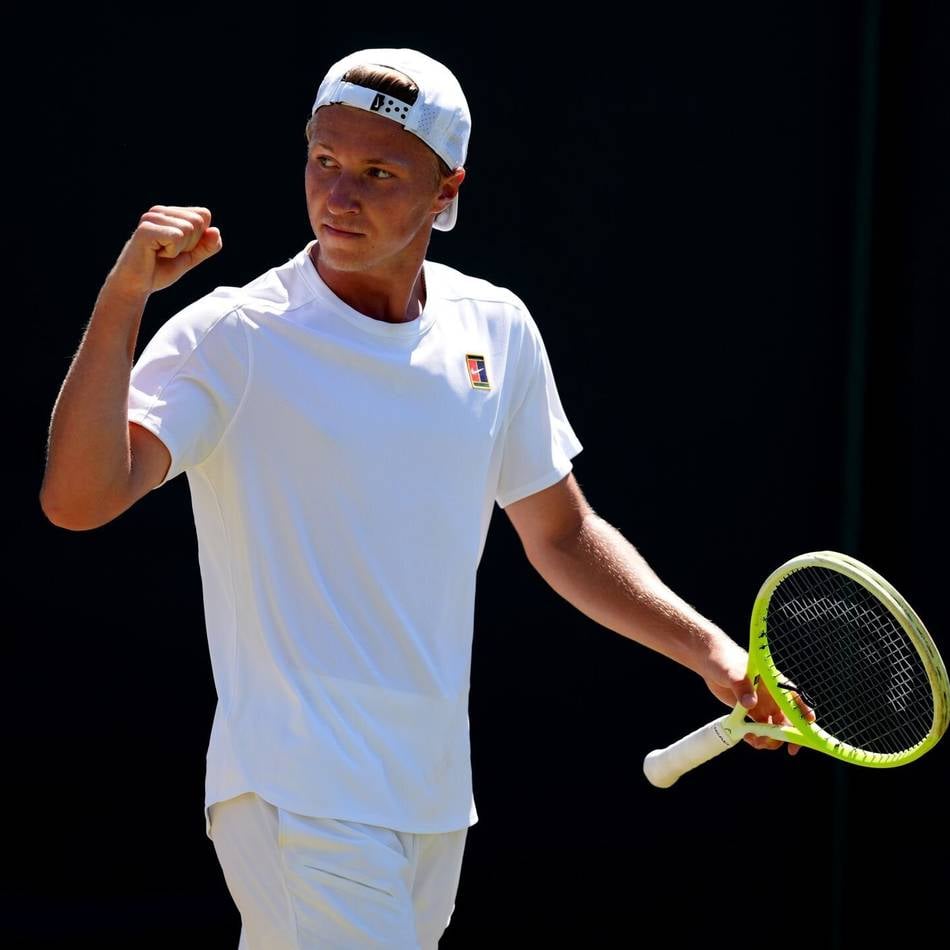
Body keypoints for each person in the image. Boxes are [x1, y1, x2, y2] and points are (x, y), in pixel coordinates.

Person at [40, 47, 808, 949]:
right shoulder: (234, 335)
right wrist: (124, 297)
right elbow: (80, 499)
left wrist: (713, 653)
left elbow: (561, 534)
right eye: (323, 161)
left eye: (378, 173)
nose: (339, 196)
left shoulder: (497, 329)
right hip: (299, 795)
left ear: (447, 192)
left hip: (433, 801)